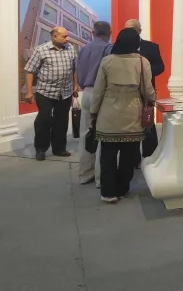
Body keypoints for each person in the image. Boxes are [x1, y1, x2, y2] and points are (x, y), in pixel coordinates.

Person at [90, 28, 155, 203]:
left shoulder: (107, 61)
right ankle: (122, 188)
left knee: (107, 156)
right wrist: (152, 100)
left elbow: (98, 90)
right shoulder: (142, 62)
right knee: (129, 155)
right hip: (132, 112)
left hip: (108, 112)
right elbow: (148, 89)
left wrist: (93, 113)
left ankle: (108, 192)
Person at [23, 26, 79, 161]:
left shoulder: (70, 49)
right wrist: (29, 91)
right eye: (64, 36)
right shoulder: (41, 50)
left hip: (65, 92)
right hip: (45, 92)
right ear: (54, 36)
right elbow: (29, 70)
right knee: (44, 119)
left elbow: (74, 68)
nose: (67, 39)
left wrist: (75, 84)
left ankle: (59, 149)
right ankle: (41, 149)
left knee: (62, 121)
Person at [75, 21, 112, 186]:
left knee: (86, 134)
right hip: (103, 94)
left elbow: (78, 71)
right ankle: (100, 177)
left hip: (87, 92)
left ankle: (85, 174)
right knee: (103, 135)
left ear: (93, 32)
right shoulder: (109, 49)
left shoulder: (83, 49)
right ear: (110, 33)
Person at [125, 19, 164, 166]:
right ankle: (133, 159)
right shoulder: (121, 48)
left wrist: (145, 72)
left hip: (146, 91)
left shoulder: (151, 47)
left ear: (139, 31)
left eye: (132, 29)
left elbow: (160, 66)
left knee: (148, 123)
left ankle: (150, 156)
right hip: (127, 93)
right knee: (130, 126)